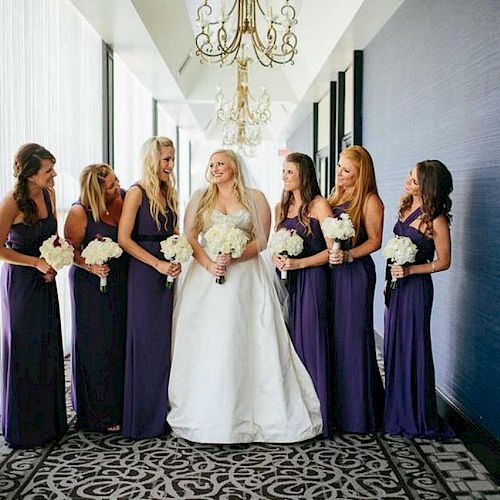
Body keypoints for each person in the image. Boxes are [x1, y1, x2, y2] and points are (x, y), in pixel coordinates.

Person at [167, 149, 322, 443]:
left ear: (235, 167)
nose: (214, 169)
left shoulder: (256, 197)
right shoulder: (201, 197)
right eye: (211, 164)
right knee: (210, 339)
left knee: (246, 336)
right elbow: (190, 237)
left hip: (246, 276)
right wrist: (211, 263)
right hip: (206, 275)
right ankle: (206, 407)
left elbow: (262, 239)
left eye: (220, 164)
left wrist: (234, 257)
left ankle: (255, 408)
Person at [0, 143, 67, 448]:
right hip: (22, 284)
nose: (54, 175)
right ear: (29, 174)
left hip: (46, 280)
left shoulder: (50, 195)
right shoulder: (11, 202)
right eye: (48, 171)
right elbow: (0, 249)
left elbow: (54, 238)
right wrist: (36, 263)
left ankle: (49, 423)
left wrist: (54, 260)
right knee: (26, 349)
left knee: (47, 345)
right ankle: (25, 427)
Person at [384, 160, 454, 439]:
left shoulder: (435, 219)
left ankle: (416, 414)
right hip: (396, 286)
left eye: (414, 180)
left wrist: (411, 269)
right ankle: (396, 409)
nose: (407, 182)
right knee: (393, 344)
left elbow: (445, 261)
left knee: (413, 346)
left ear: (428, 186)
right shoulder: (404, 207)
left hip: (416, 289)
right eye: (409, 176)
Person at [118, 136, 181, 439]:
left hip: (168, 272)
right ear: (152, 160)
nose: (170, 164)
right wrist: (156, 264)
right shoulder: (136, 192)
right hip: (144, 274)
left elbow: (174, 233)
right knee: (145, 343)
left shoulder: (170, 192)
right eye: (166, 159)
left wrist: (177, 255)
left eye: (172, 158)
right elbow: (124, 239)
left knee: (165, 344)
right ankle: (143, 419)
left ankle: (164, 414)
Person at [270, 152, 332, 436]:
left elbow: (333, 251)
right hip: (289, 282)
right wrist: (278, 259)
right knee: (291, 339)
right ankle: (298, 406)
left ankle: (320, 408)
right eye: (283, 172)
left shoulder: (319, 205)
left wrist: (300, 263)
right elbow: (273, 245)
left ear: (304, 175)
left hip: (314, 278)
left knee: (311, 338)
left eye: (290, 172)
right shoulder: (280, 207)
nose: (284, 177)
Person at [64, 164, 127, 432]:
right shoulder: (80, 212)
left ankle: (120, 405)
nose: (118, 185)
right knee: (95, 345)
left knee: (117, 341)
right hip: (90, 284)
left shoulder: (122, 199)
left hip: (119, 281)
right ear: (96, 189)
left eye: (116, 180)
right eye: (111, 184)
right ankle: (95, 412)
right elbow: (69, 249)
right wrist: (91, 266)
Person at [327, 145, 385, 433]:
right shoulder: (334, 197)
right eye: (339, 166)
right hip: (331, 274)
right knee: (334, 335)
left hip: (355, 273)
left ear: (361, 175)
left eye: (346, 170)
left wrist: (349, 255)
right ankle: (335, 406)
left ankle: (358, 411)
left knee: (352, 335)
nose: (339, 173)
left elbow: (375, 240)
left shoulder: (371, 201)